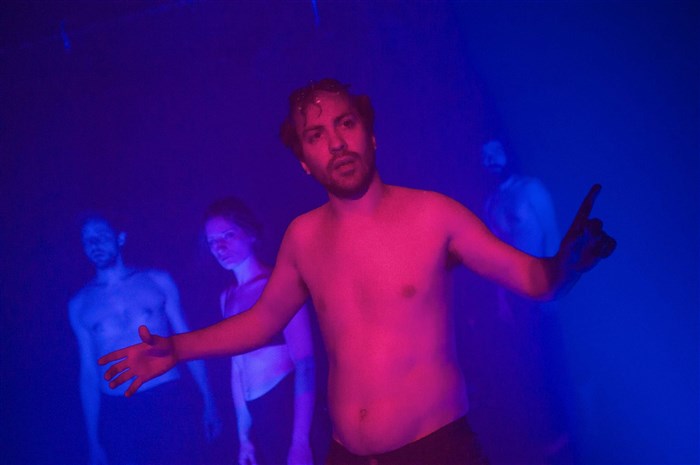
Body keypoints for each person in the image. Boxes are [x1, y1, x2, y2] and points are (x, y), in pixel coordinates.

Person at [98, 79, 616, 465]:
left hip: (437, 452)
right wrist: (176, 348)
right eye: (316, 134)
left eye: (346, 124)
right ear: (304, 161)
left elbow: (536, 281)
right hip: (347, 454)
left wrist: (563, 265)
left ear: (370, 134)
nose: (336, 142)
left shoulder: (434, 215)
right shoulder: (303, 237)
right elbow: (261, 322)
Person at [69, 214, 222, 465]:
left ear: (120, 238)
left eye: (102, 236)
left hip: (168, 399)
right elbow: (87, 373)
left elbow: (187, 342)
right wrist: (94, 442)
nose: (95, 244)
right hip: (121, 412)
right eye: (88, 240)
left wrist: (209, 401)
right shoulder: (80, 304)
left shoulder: (156, 281)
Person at [474, 139, 574, 464]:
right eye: (484, 155)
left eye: (495, 151)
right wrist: (501, 300)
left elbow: (552, 235)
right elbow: (497, 258)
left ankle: (569, 437)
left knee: (552, 362)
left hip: (543, 289)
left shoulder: (531, 189)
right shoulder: (490, 202)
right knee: (529, 369)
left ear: (507, 152)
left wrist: (554, 287)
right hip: (516, 296)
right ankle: (546, 439)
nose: (490, 159)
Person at [204, 197, 316, 465]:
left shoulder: (279, 285)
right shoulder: (227, 297)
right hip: (259, 416)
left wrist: (300, 441)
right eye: (212, 241)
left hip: (287, 408)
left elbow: (306, 364)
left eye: (228, 235)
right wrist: (244, 438)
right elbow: (238, 370)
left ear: (250, 233)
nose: (219, 246)